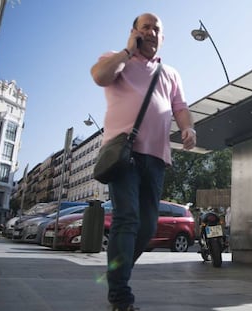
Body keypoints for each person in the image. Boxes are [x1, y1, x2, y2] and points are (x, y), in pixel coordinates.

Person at [90, 13, 196, 311]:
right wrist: (127, 50)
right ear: (134, 32)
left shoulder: (170, 73)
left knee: (148, 227)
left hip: (157, 158)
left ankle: (116, 271)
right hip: (124, 155)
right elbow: (100, 76)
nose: (151, 31)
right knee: (127, 220)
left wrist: (188, 127)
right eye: (145, 27)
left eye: (156, 29)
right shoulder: (116, 59)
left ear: (162, 38)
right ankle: (120, 295)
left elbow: (181, 108)